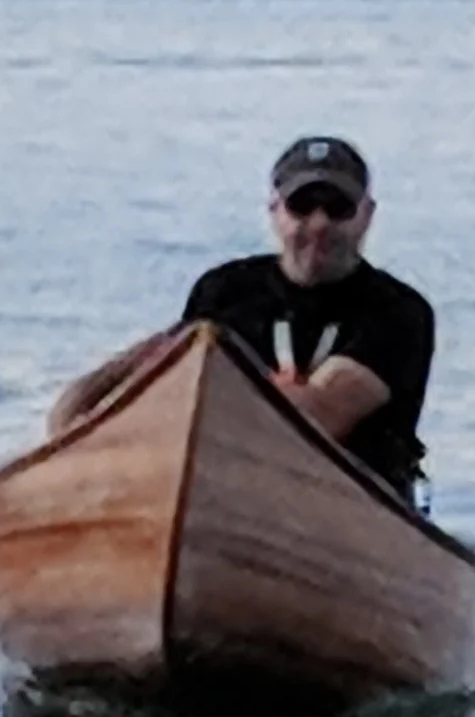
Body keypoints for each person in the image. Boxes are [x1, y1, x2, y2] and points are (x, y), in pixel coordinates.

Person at [47, 137, 434, 499]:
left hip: (349, 500)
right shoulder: (225, 292)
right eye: (302, 206)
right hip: (224, 487)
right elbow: (84, 406)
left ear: (366, 215)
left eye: (338, 209)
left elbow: (313, 421)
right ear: (276, 212)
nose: (319, 224)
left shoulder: (397, 312)